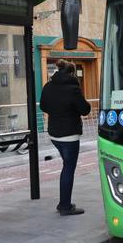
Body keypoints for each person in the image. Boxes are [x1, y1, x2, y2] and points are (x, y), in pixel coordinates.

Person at [40, 60, 91, 216]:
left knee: (66, 165)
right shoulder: (73, 89)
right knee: (68, 168)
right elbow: (85, 110)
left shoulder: (48, 86)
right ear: (72, 73)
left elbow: (43, 106)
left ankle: (64, 203)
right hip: (69, 135)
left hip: (54, 134)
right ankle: (65, 206)